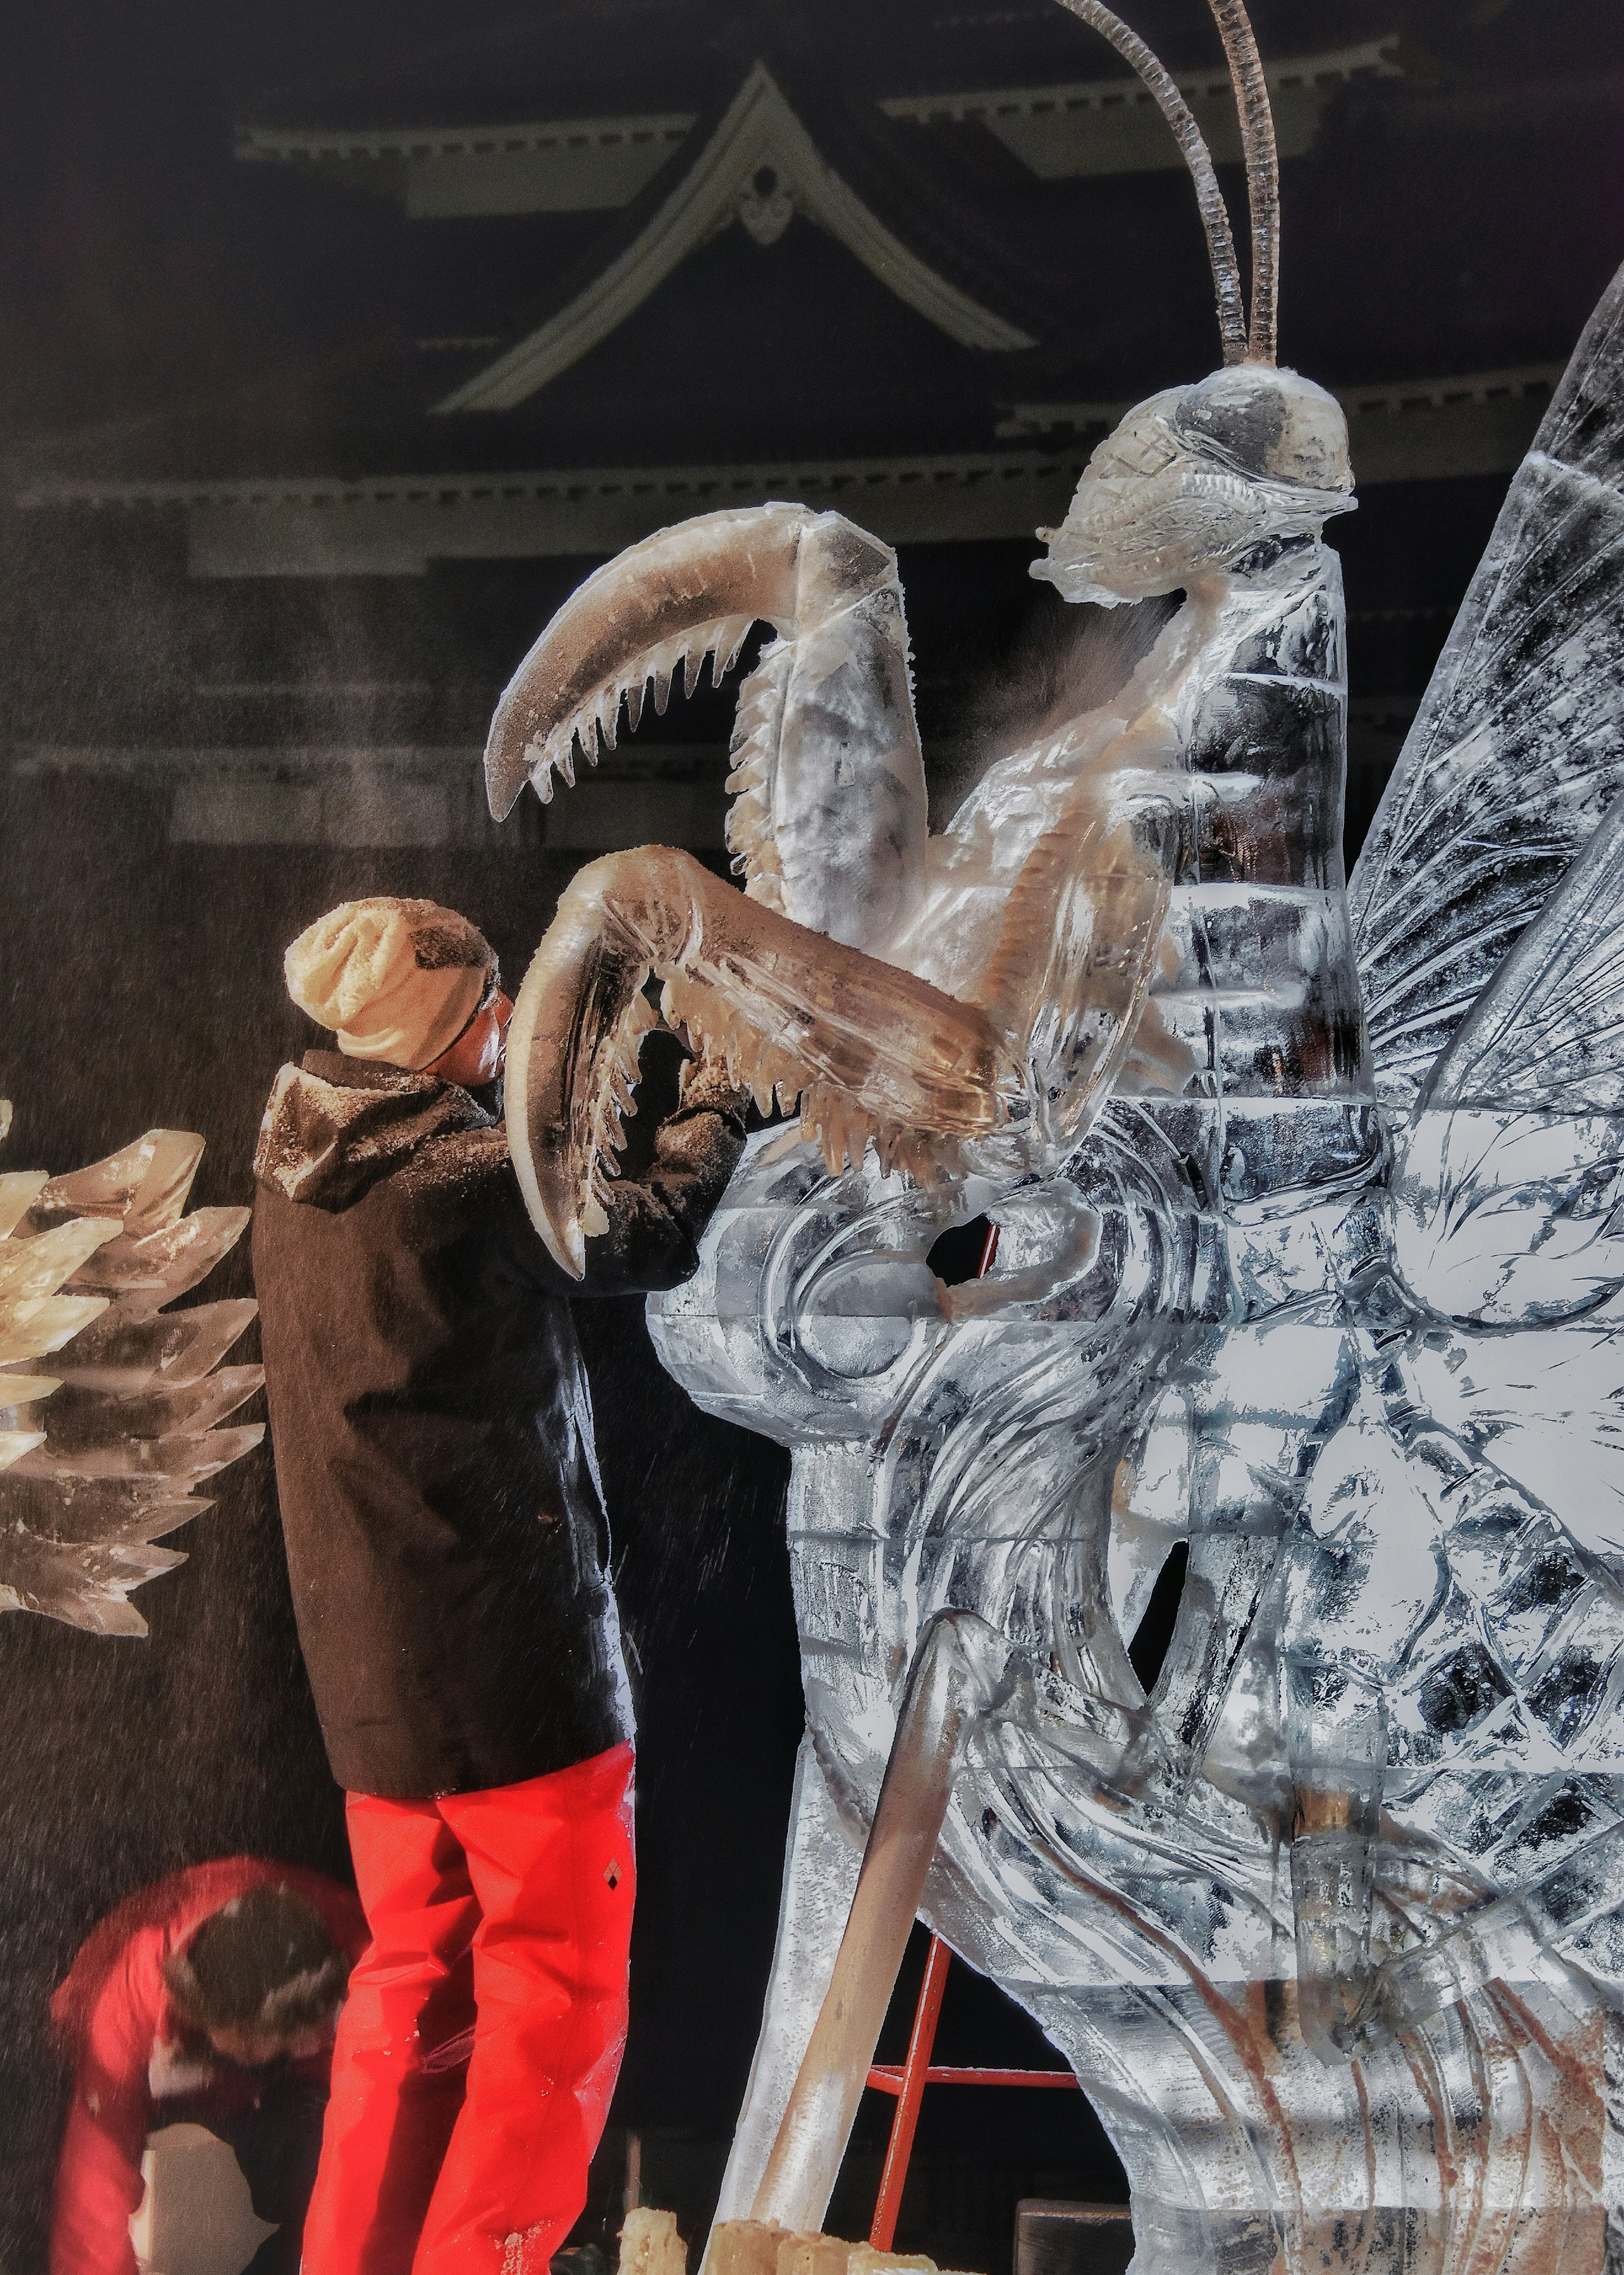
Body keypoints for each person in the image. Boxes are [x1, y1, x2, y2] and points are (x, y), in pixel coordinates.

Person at [250, 896, 747, 2275]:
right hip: (514, 1681)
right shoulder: (458, 1173)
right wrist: (718, 1092)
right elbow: (646, 1229)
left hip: (377, 1689)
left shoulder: (301, 1157)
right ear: (441, 1030)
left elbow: (529, 1174)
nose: (507, 1021)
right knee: (557, 2003)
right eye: (491, 1002)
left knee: (412, 2001)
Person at [49, 1858, 366, 2275]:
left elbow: (385, 2130)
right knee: (53, 2179)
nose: (309, 2041)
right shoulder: (127, 1992)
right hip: (118, 2063)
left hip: (285, 2079)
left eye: (256, 2038)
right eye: (241, 2038)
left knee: (315, 2176)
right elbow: (94, 2188)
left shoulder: (362, 1959)